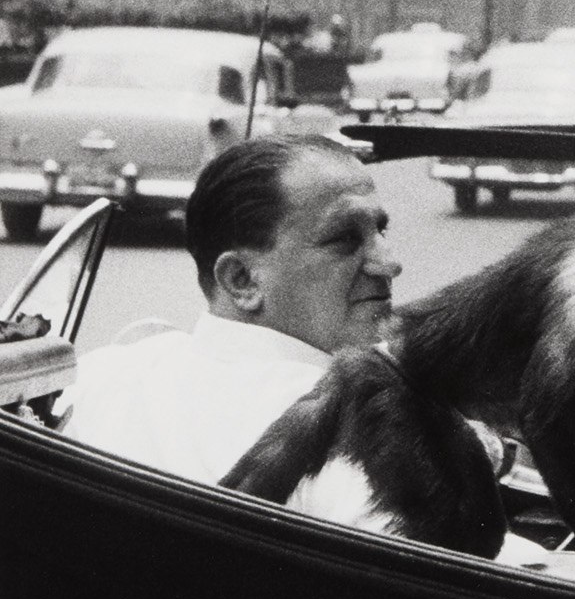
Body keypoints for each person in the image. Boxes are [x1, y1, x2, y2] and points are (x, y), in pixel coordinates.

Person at [63, 133, 401, 484]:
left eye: (381, 230)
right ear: (241, 281)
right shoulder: (359, 429)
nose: (390, 263)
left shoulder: (92, 380)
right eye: (344, 239)